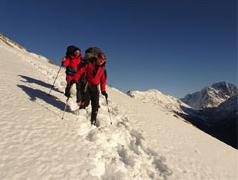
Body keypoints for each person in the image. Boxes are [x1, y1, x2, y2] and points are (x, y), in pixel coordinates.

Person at [74, 52, 108, 126]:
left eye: (103, 60)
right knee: (86, 102)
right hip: (88, 85)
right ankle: (79, 113)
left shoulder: (103, 70)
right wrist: (75, 79)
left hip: (95, 88)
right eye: (100, 59)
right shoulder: (89, 64)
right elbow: (80, 72)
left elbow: (103, 81)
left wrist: (103, 90)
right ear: (97, 58)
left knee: (95, 106)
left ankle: (93, 121)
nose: (101, 61)